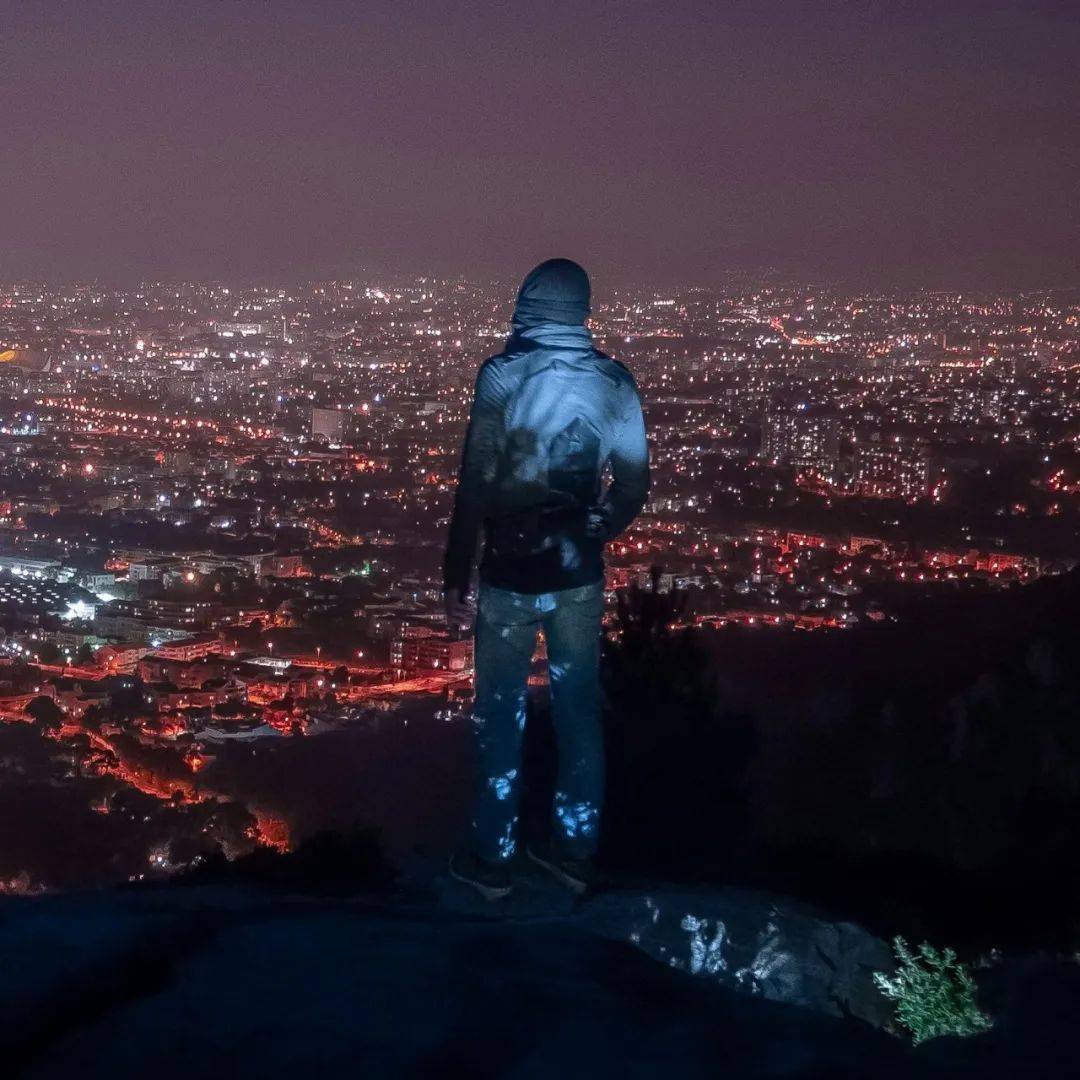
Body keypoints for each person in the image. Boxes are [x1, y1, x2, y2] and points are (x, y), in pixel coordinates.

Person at [443, 258, 649, 899]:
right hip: (578, 576)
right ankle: (572, 854)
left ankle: (492, 859)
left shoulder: (504, 374)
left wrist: (457, 569)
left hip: (509, 574)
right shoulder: (613, 382)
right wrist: (599, 526)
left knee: (501, 714)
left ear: (528, 304)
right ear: (582, 310)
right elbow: (634, 480)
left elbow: (476, 480)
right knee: (577, 712)